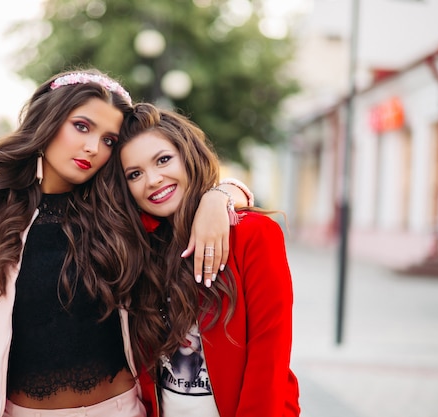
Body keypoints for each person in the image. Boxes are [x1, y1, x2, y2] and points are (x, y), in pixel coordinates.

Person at [0, 69, 251, 417]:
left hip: (120, 409)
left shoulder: (119, 208)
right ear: (49, 120)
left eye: (109, 140)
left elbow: (183, 193)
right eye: (82, 127)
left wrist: (221, 195)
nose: (93, 148)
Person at [112, 103, 300, 417]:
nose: (153, 179)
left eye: (163, 160)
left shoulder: (253, 235)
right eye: (135, 174)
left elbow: (270, 355)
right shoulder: (138, 249)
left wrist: (220, 194)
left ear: (188, 156)